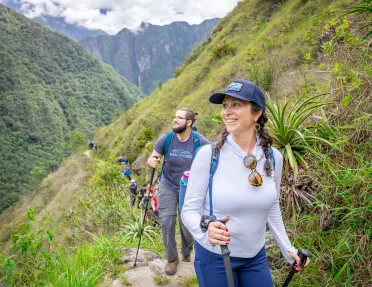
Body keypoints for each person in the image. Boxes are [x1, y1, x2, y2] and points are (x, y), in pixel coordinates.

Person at [181, 79, 310, 287]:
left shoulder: (273, 157)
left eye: (236, 105)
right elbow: (188, 210)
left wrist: (288, 248)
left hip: (255, 257)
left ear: (257, 113)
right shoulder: (209, 156)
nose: (227, 112)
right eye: (225, 106)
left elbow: (271, 205)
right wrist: (205, 230)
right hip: (215, 257)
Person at [147, 108, 209, 275]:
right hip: (167, 184)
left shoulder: (199, 142)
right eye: (174, 117)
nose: (175, 120)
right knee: (167, 221)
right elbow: (154, 156)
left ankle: (187, 252)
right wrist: (152, 161)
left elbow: (212, 159)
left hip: (188, 187)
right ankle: (172, 259)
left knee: (186, 222)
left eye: (179, 118)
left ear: (189, 122)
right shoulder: (167, 138)